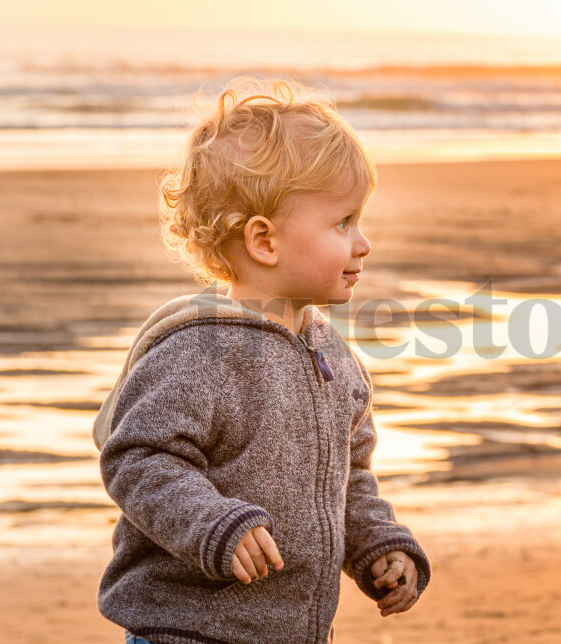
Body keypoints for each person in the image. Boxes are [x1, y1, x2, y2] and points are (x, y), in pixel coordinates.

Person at [93, 77, 431, 644]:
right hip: (188, 631)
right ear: (264, 242)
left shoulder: (335, 359)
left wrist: (378, 544)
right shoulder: (198, 350)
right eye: (343, 223)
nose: (363, 243)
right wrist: (212, 523)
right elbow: (137, 457)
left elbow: (348, 477)